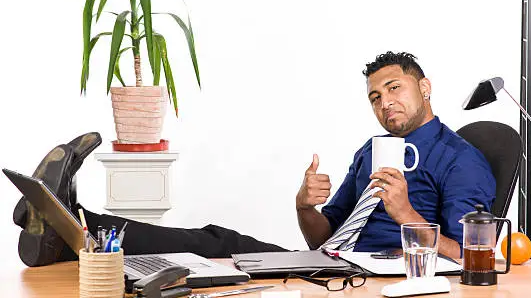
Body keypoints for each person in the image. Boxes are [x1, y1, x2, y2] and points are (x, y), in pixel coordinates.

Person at [12, 52, 495, 267]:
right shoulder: (373, 151)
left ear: (424, 88)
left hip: (374, 278)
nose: (383, 102)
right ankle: (69, 226)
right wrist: (306, 207)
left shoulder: (461, 160)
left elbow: (479, 259)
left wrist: (406, 215)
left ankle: (68, 226)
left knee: (216, 245)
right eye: (373, 96)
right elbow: (323, 236)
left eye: (394, 88)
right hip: (331, 264)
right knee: (215, 247)